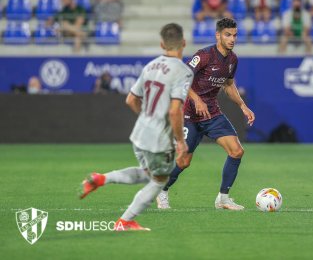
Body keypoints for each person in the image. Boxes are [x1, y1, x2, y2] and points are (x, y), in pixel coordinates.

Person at [78, 23, 194, 231]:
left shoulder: (150, 67)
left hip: (140, 132)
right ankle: (125, 221)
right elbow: (175, 111)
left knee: (148, 173)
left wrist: (147, 117)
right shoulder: (183, 71)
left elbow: (131, 100)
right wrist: (181, 142)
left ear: (161, 44)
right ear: (183, 43)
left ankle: (101, 178)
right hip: (159, 138)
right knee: (159, 182)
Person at [156, 17, 255, 211]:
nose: (232, 39)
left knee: (237, 151)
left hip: (212, 113)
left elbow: (228, 84)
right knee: (184, 161)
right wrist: (196, 99)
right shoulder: (204, 55)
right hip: (190, 114)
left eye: (235, 35)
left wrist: (243, 106)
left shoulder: (233, 60)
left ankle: (223, 199)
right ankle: (162, 189)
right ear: (218, 35)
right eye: (228, 35)